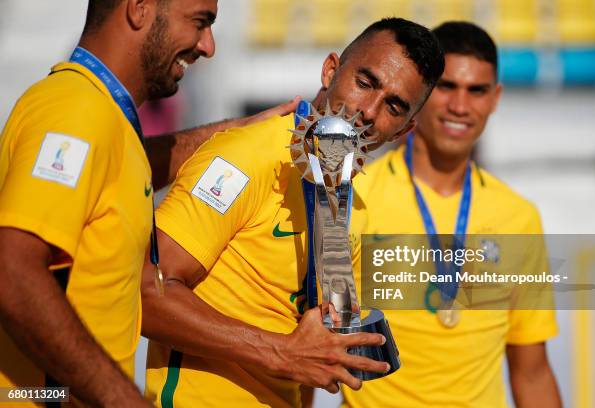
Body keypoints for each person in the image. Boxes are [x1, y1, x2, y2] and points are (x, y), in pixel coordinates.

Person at [0, 0, 297, 406]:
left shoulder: (102, 117)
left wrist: (233, 134)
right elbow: (12, 272)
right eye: (200, 22)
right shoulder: (76, 111)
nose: (208, 46)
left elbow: (123, 164)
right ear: (139, 9)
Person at [140, 18, 445, 407]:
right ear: (330, 70)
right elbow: (148, 293)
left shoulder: (353, 205)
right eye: (365, 83)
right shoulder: (248, 156)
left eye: (393, 106)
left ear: (404, 129)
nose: (368, 111)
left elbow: (309, 355)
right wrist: (280, 352)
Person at [342, 21, 562, 408]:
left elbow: (532, 371)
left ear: (495, 98)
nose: (460, 106)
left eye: (476, 90)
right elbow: (305, 345)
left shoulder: (518, 217)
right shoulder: (355, 197)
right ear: (422, 93)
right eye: (446, 87)